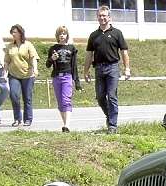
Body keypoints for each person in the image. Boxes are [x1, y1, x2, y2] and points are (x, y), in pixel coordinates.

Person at [84, 5, 131, 134]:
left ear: (109, 17)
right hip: (99, 68)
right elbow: (89, 54)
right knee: (100, 97)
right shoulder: (94, 35)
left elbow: (124, 52)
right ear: (97, 17)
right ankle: (109, 115)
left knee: (112, 96)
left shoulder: (117, 33)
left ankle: (112, 126)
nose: (102, 18)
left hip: (112, 68)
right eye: (100, 15)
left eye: (104, 15)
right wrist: (86, 71)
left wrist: (127, 69)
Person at [46, 25, 82, 132]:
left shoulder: (71, 48)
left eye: (64, 33)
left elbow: (74, 66)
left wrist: (77, 82)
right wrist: (52, 59)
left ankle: (67, 125)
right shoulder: (53, 49)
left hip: (67, 76)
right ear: (57, 35)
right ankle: (64, 123)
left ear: (67, 35)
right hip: (57, 77)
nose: (62, 35)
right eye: (60, 33)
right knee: (60, 102)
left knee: (66, 100)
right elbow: (47, 65)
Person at [4, 24, 39, 127]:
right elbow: (6, 61)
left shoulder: (28, 45)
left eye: (15, 32)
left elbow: (33, 58)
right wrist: (4, 73)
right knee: (14, 96)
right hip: (14, 75)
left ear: (20, 33)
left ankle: (28, 119)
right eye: (12, 32)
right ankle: (17, 119)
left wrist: (35, 69)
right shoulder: (10, 46)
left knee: (27, 98)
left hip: (27, 75)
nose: (13, 34)